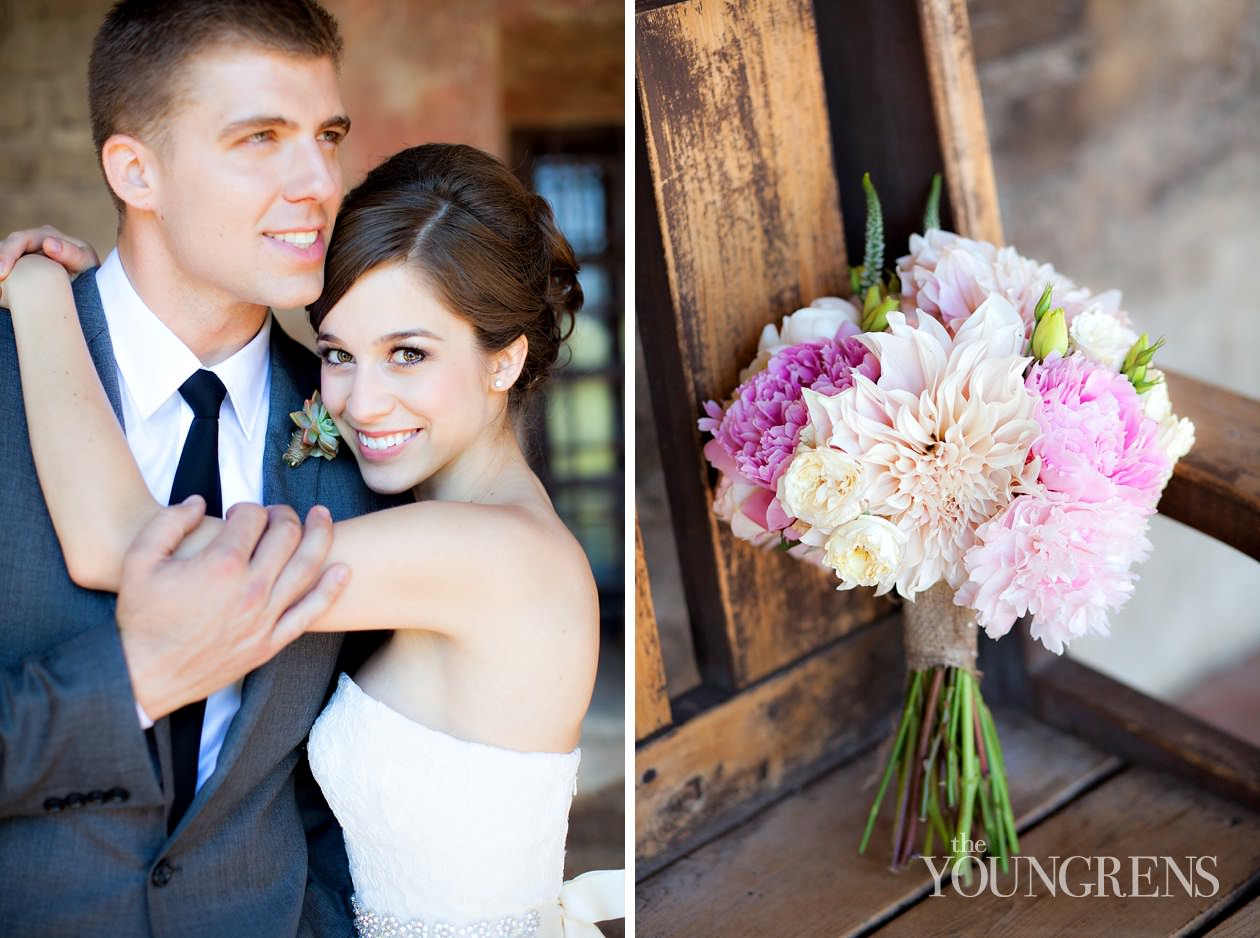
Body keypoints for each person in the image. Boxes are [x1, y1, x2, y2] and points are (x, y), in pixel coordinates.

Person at [5, 137, 624, 938]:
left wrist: (43, 293)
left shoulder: (492, 555)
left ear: (503, 361)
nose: (361, 403)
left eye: (408, 354)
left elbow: (117, 543)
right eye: (337, 353)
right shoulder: (424, 531)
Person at [0, 2, 390, 935]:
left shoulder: (372, 432)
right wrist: (134, 682)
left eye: (326, 136)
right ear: (136, 170)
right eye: (260, 138)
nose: (318, 183)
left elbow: (364, 763)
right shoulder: (15, 375)